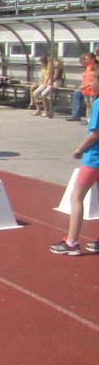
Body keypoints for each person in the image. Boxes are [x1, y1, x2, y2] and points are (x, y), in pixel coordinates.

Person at [50, 64, 99, 256]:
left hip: (94, 158)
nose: (89, 83)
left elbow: (95, 133)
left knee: (76, 197)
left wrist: (80, 149)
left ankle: (72, 242)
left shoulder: (97, 104)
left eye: (93, 80)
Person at [67, 54, 97, 123]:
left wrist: (88, 85)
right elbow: (85, 79)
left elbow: (94, 80)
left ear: (92, 59)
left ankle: (92, 119)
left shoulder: (95, 67)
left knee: (92, 104)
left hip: (92, 89)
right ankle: (87, 118)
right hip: (86, 89)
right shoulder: (88, 67)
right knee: (87, 104)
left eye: (87, 59)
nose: (85, 61)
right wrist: (83, 85)